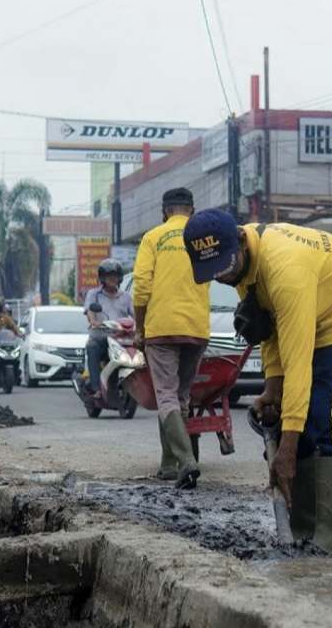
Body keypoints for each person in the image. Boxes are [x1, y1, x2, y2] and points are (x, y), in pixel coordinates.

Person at [184, 209, 332, 556]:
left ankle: (331, 543)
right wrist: (273, 387)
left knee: (331, 423)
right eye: (215, 273)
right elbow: (269, 329)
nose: (224, 277)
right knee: (299, 425)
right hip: (308, 310)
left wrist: (286, 449)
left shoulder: (285, 269)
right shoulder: (246, 266)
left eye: (227, 267)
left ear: (242, 241)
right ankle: (303, 533)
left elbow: (298, 362)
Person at [133, 188, 210, 489]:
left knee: (165, 395)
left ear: (165, 211)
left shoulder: (153, 237)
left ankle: (187, 460)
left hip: (162, 328)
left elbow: (141, 286)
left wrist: (140, 327)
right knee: (181, 397)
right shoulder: (202, 238)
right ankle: (169, 464)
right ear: (191, 210)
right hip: (196, 327)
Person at [83, 258, 133, 397]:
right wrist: (94, 321)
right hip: (101, 337)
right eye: (108, 276)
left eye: (115, 275)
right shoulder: (94, 294)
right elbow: (89, 311)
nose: (112, 278)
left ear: (120, 278)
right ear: (102, 278)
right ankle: (96, 388)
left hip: (122, 338)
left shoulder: (126, 297)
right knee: (92, 347)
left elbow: (135, 315)